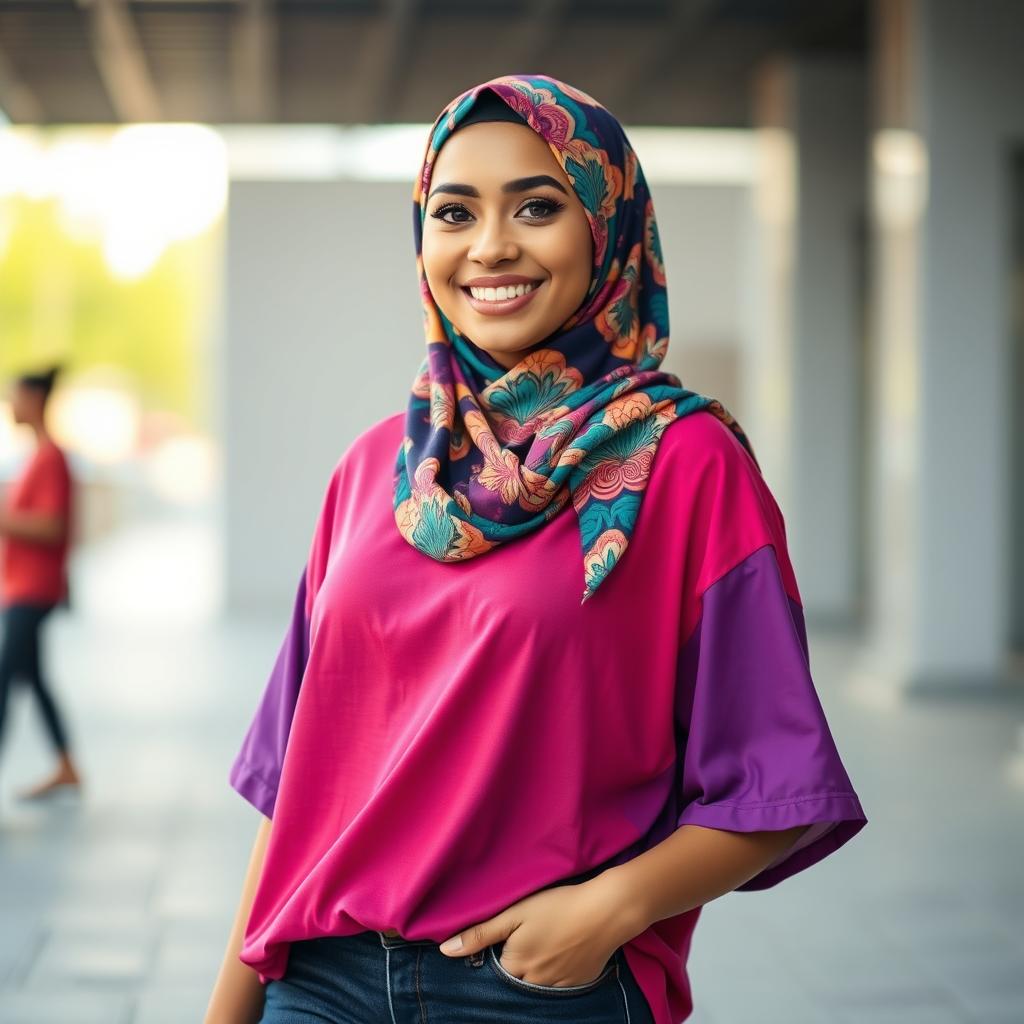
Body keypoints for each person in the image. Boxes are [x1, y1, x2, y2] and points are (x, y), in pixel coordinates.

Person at [207, 75, 868, 1024]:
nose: (491, 245)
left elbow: (777, 783)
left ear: (606, 225)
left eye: (537, 205)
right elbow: (295, 797)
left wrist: (607, 912)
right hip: (319, 985)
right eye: (454, 210)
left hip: (538, 995)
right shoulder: (378, 471)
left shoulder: (685, 464)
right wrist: (227, 1011)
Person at [0, 365, 82, 802]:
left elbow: (51, 527)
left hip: (32, 589)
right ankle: (67, 765)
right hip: (19, 587)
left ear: (33, 400)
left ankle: (67, 766)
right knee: (32, 677)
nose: (10, 404)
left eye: (14, 396)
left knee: (4, 678)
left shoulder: (50, 458)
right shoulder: (38, 456)